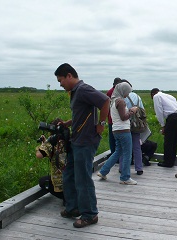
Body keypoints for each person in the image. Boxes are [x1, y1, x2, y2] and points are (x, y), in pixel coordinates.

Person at [54, 63, 110, 228]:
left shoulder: (83, 89)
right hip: (77, 139)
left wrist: (101, 123)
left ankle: (90, 214)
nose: (60, 84)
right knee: (69, 174)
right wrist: (68, 123)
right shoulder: (76, 92)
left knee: (83, 178)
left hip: (86, 141)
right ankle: (73, 207)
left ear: (69, 76)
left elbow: (105, 101)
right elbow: (82, 113)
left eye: (61, 80)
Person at [97, 82, 139, 185]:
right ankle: (125, 178)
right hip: (124, 130)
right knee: (127, 154)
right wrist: (132, 111)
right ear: (123, 90)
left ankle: (103, 171)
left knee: (117, 152)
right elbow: (124, 117)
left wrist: (128, 111)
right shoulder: (121, 102)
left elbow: (120, 115)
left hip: (116, 130)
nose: (128, 94)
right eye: (127, 92)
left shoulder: (113, 100)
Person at [150, 88, 177, 167]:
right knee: (175, 140)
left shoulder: (156, 96)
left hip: (172, 118)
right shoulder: (168, 95)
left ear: (152, 94)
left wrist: (163, 125)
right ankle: (172, 160)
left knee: (168, 141)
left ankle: (168, 162)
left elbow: (159, 111)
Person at [35, 118, 66, 203]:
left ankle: (64, 197)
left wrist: (43, 145)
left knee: (42, 181)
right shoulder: (68, 140)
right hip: (72, 180)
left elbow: (39, 155)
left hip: (60, 183)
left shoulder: (52, 142)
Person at [122, 79, 145, 175]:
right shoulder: (137, 97)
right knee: (137, 146)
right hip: (136, 125)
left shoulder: (122, 97)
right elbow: (142, 110)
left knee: (123, 147)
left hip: (125, 124)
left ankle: (123, 167)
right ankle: (139, 168)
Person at [107, 77, 122, 155]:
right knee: (115, 138)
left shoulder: (110, 92)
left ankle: (114, 154)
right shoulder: (115, 92)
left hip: (111, 118)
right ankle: (116, 154)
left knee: (113, 137)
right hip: (115, 118)